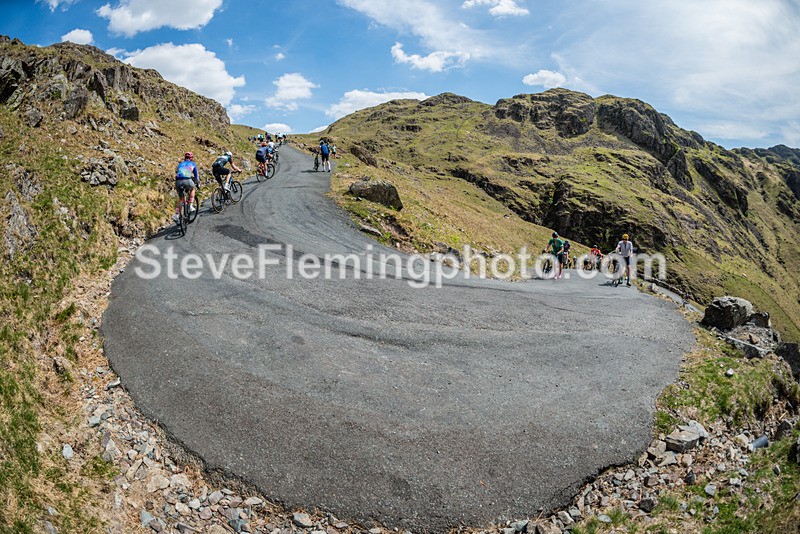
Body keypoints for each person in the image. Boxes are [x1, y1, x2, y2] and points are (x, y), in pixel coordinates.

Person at [173, 151, 199, 223]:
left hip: (178, 181)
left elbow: (178, 172)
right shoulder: (193, 164)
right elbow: (196, 176)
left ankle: (176, 214)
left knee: (181, 199)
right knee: (193, 188)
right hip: (187, 179)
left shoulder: (180, 164)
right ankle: (190, 205)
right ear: (191, 158)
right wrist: (198, 183)